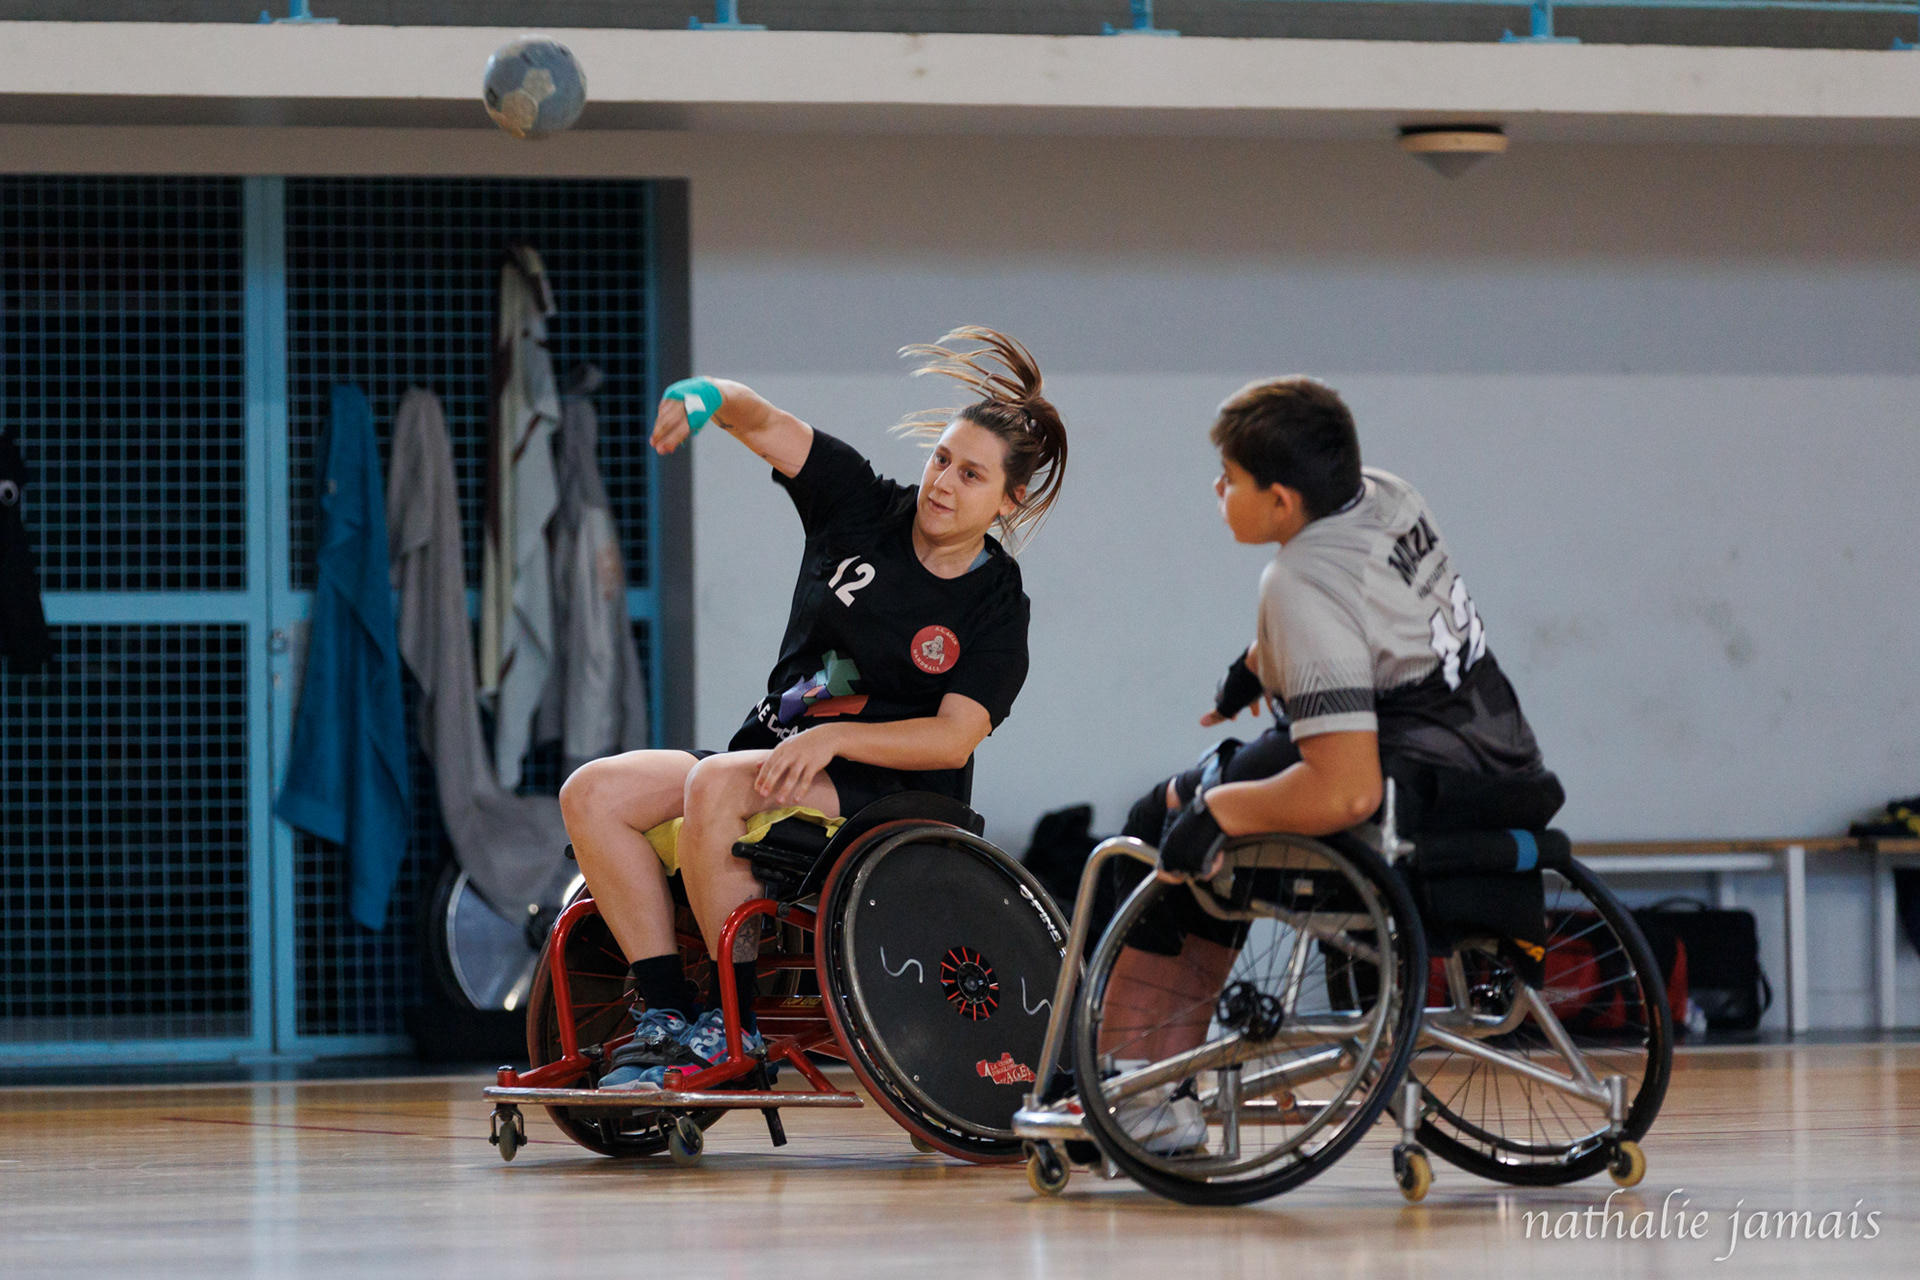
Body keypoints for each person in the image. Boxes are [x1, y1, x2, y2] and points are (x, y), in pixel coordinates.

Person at [561, 328, 1068, 1090]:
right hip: (771, 756)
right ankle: (668, 1011)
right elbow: (764, 421)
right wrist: (706, 397)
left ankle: (735, 1028)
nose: (943, 483)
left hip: (885, 795)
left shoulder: (996, 602)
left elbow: (953, 738)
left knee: (718, 784)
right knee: (592, 794)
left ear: (1009, 499)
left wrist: (835, 740)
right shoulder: (862, 506)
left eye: (971, 474)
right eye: (941, 459)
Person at [1099, 376, 1560, 1149]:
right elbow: (1361, 612)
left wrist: (1214, 814)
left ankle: (1131, 1088)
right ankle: (1155, 1083)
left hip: (1401, 798)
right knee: (1211, 806)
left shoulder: (1295, 581)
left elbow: (1344, 791)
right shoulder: (1386, 495)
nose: (1217, 489)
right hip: (1493, 766)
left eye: (1229, 478)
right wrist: (1253, 668)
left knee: (1162, 824)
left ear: (1280, 501)